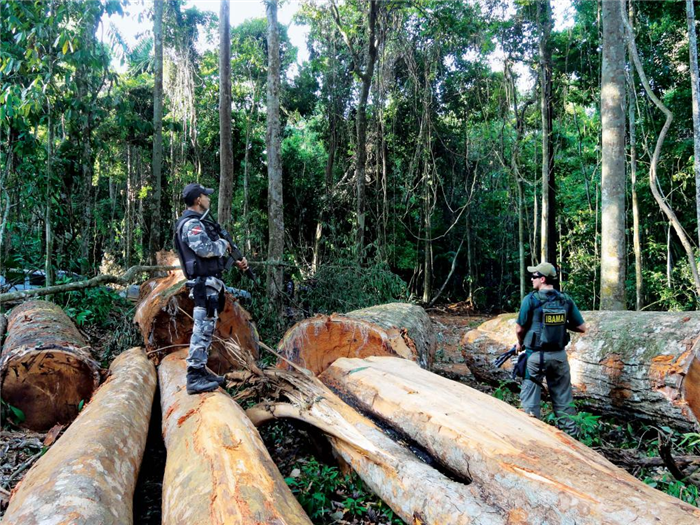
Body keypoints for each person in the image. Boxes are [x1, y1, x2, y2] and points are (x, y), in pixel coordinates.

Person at [173, 183, 249, 395]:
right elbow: (205, 249)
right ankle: (194, 377)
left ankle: (200, 369)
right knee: (202, 328)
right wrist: (223, 245)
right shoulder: (191, 224)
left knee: (206, 329)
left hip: (208, 283)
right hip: (203, 284)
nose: (208, 199)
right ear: (198, 200)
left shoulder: (198, 223)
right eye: (205, 195)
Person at [515, 262, 586, 435]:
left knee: (530, 402)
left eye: (534, 277)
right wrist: (562, 324)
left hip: (536, 357)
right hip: (559, 357)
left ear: (543, 278)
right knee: (563, 400)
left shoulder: (531, 299)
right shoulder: (565, 299)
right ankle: (572, 440)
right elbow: (582, 327)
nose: (532, 280)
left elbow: (519, 328)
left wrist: (519, 343)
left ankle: (530, 437)